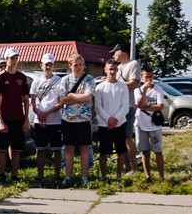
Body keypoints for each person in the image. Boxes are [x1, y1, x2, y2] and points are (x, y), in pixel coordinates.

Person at [0, 47, 31, 181]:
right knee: (2, 149)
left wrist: (26, 120)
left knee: (16, 149)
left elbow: (26, 99)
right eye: (11, 58)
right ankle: (2, 175)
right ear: (6, 59)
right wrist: (0, 120)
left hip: (19, 118)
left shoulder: (22, 77)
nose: (14, 61)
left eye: (16, 58)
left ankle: (15, 176)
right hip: (5, 118)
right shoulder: (0, 77)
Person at [59, 54, 94, 186]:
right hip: (68, 120)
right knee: (69, 148)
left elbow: (88, 97)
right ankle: (68, 177)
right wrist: (80, 97)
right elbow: (62, 99)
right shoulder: (65, 80)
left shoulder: (89, 79)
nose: (78, 67)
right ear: (70, 66)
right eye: (75, 65)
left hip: (83, 120)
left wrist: (72, 95)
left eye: (81, 64)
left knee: (84, 148)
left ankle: (84, 177)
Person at [30, 53, 65, 184]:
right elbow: (32, 103)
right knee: (40, 149)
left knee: (57, 149)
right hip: (40, 121)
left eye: (50, 64)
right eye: (46, 64)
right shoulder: (36, 81)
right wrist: (40, 114)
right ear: (41, 66)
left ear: (54, 65)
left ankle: (57, 176)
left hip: (55, 120)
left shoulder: (59, 81)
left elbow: (61, 102)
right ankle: (40, 176)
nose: (48, 66)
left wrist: (47, 113)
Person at [94, 60, 129, 180]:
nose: (112, 71)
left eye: (115, 69)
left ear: (117, 70)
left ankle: (119, 176)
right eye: (110, 69)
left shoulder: (123, 87)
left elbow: (125, 106)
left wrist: (115, 120)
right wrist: (108, 119)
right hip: (104, 124)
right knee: (103, 152)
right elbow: (98, 107)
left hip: (120, 123)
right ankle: (104, 176)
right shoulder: (99, 88)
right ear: (105, 70)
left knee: (121, 150)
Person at [112, 44, 140, 173]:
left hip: (128, 106)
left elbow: (132, 84)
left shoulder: (133, 64)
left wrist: (115, 82)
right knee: (121, 138)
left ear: (120, 51)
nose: (113, 56)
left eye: (114, 53)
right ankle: (126, 167)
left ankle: (134, 168)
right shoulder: (118, 67)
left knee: (128, 137)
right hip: (117, 107)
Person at [134, 64, 165, 180]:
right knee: (145, 151)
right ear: (141, 77)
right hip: (140, 124)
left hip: (154, 124)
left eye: (151, 77)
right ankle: (148, 176)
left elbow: (160, 106)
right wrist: (145, 90)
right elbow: (140, 104)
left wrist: (145, 108)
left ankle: (162, 177)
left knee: (158, 151)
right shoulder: (138, 90)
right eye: (146, 77)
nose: (149, 79)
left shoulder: (158, 89)